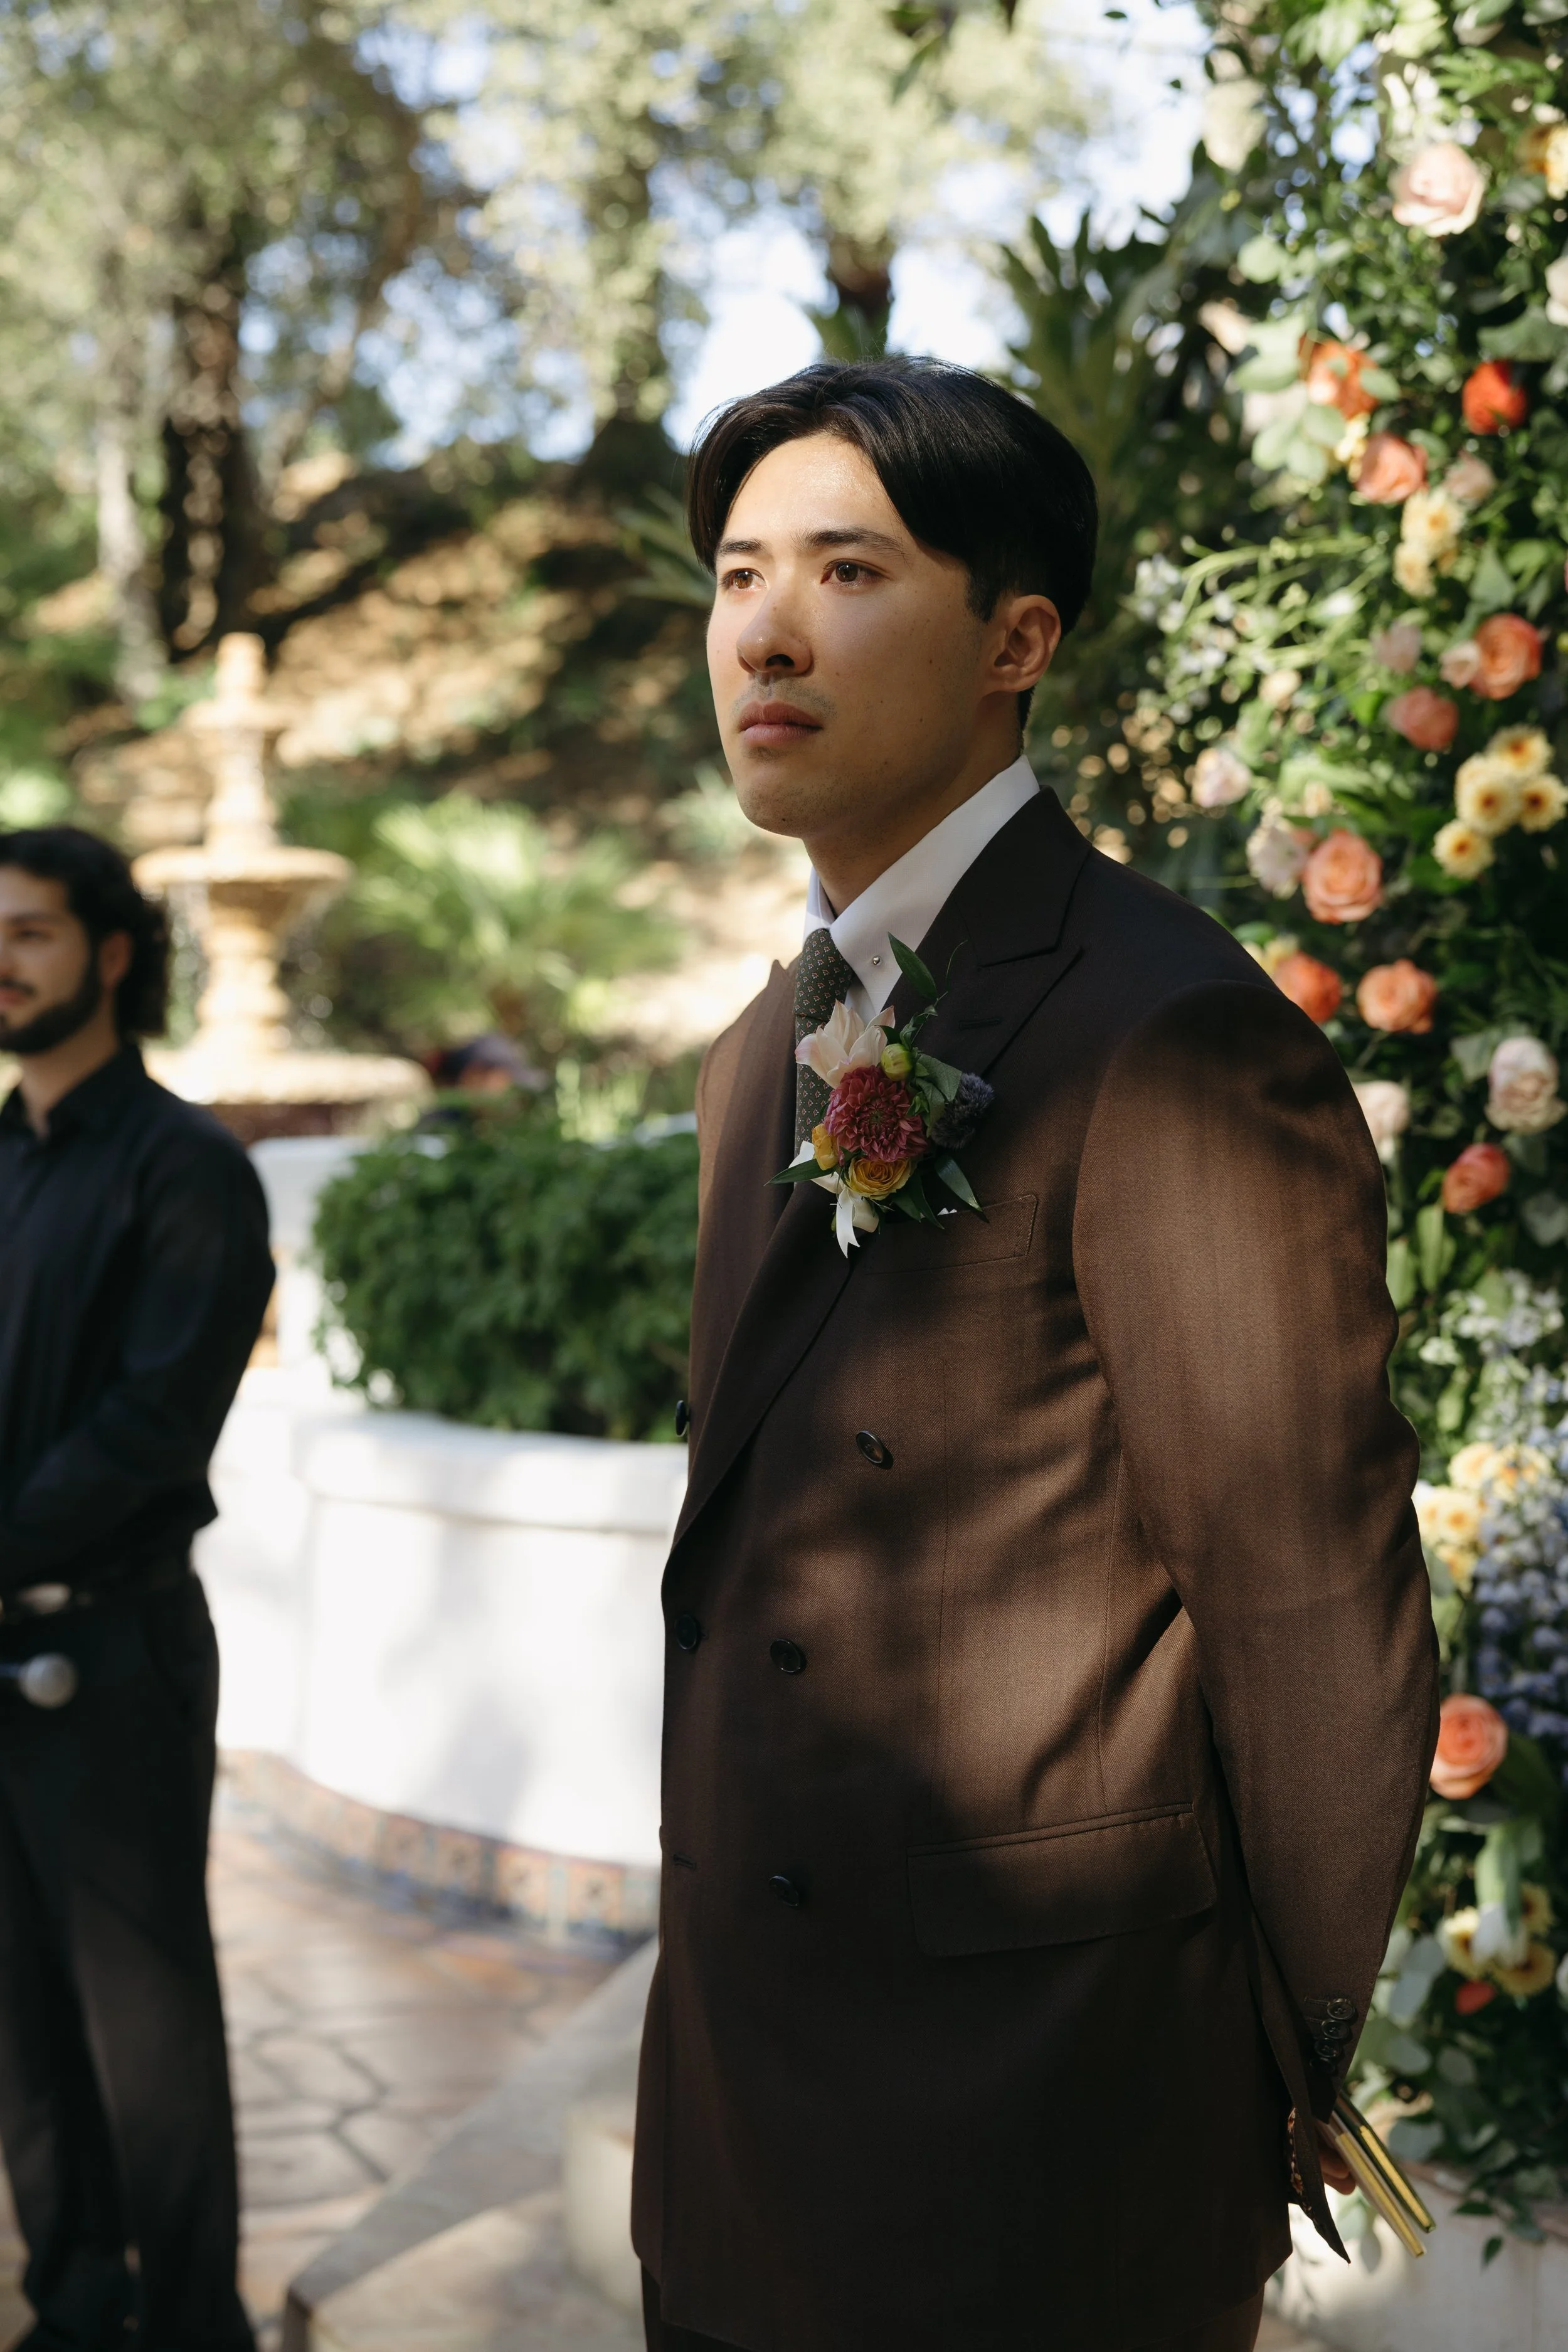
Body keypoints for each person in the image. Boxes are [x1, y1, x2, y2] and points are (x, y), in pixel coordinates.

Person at [631, 359, 1439, 2352]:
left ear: (1017, 638)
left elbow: (1314, 1604)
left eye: (846, 567)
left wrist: (1268, 2056)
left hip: (1036, 2126)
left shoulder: (1164, 1028)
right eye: (736, 575)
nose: (766, 630)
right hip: (736, 2111)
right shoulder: (761, 1060)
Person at [0, 827, 273, 2351]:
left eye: (30, 932)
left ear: (110, 955)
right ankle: (72, 2303)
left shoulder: (189, 1168)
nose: (2, 962)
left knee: (142, 2030)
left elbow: (153, 1424)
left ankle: (184, 2328)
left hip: (111, 1659)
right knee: (21, 2026)